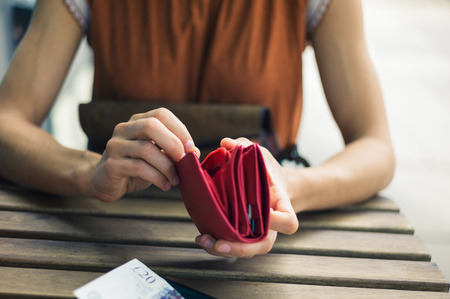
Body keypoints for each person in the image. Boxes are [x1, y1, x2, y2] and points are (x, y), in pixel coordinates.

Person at [0, 0, 395, 258]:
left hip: (267, 243)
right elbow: (7, 121)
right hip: (108, 234)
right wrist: (89, 172)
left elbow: (375, 146)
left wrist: (289, 186)